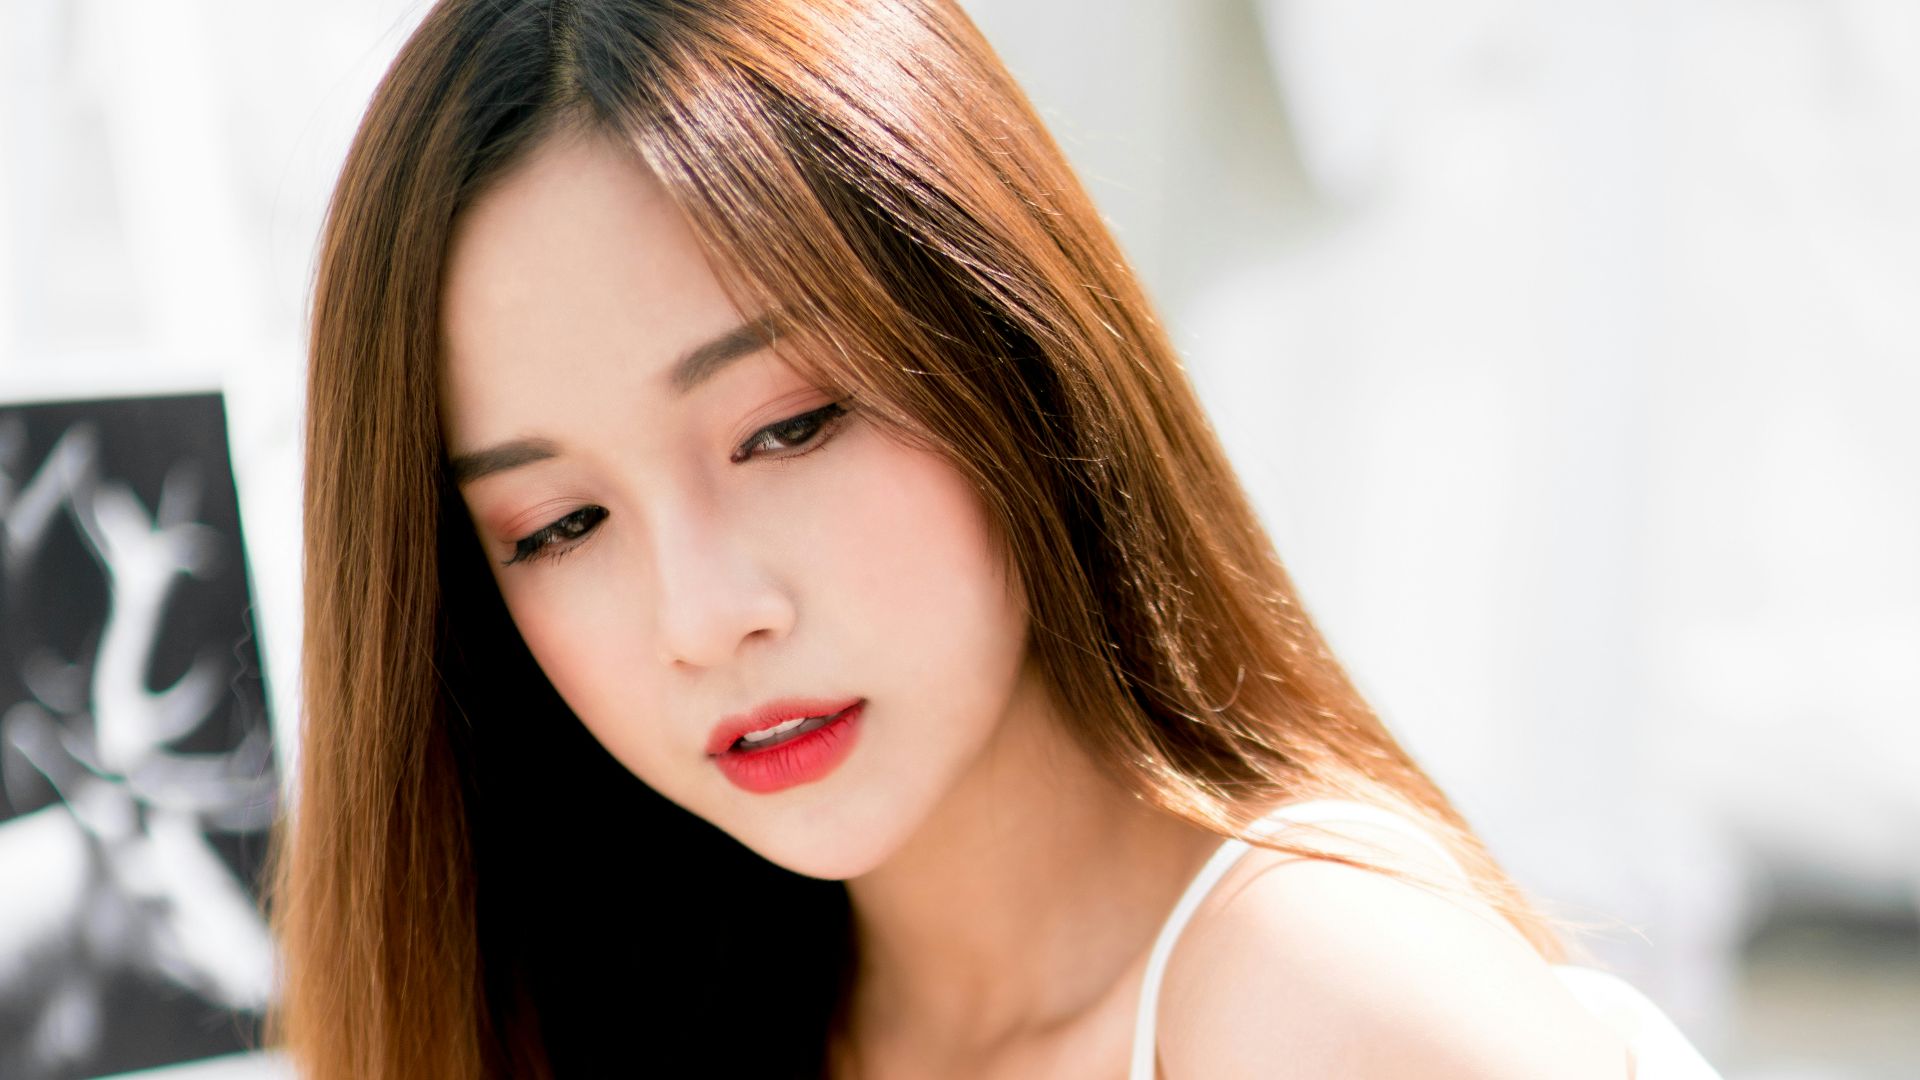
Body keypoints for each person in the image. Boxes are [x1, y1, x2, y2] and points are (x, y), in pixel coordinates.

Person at [267, 1, 1725, 1077]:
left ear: (1006, 356)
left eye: (788, 428)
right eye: (560, 523)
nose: (703, 615)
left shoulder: (1321, 1005)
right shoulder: (654, 1011)